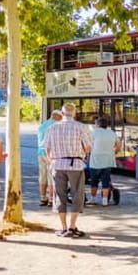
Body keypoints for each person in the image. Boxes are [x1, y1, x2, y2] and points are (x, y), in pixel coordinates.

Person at [45, 102, 93, 238]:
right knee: (77, 194)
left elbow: (47, 148)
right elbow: (88, 147)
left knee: (59, 195)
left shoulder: (52, 128)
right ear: (75, 112)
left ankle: (63, 227)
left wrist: (52, 160)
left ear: (62, 112)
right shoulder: (81, 127)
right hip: (76, 164)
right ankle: (72, 226)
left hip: (58, 164)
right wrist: (81, 153)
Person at [88, 117, 120, 206]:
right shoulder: (111, 132)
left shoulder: (94, 132)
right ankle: (105, 201)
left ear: (97, 124)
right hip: (108, 159)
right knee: (105, 181)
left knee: (94, 181)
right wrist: (115, 152)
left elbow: (88, 144)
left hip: (96, 160)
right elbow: (118, 144)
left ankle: (93, 199)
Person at [37, 109, 63, 207]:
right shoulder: (56, 126)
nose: (61, 119)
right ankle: (52, 199)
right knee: (52, 177)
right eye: (60, 117)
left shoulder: (42, 125)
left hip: (40, 152)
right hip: (51, 153)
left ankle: (43, 198)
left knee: (42, 176)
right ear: (56, 116)